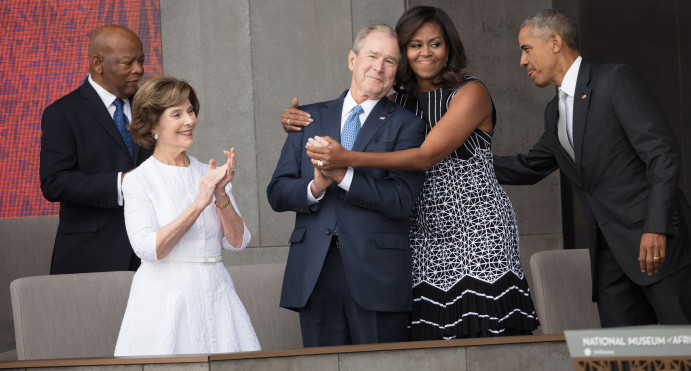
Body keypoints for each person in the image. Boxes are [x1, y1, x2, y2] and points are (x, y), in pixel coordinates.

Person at [285, 6, 539, 340]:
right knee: (432, 336)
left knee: (481, 331)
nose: (426, 53)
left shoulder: (471, 91)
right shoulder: (397, 103)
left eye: (435, 44)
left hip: (475, 227)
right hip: (420, 229)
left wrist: (347, 158)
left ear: (449, 47)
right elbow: (355, 116)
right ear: (403, 51)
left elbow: (425, 156)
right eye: (415, 45)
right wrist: (297, 120)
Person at [492, 9, 691, 327]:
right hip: (609, 258)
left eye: (526, 49)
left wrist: (656, 227)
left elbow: (662, 154)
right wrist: (456, 161)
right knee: (619, 357)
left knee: (688, 351)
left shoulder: (614, 80)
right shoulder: (554, 111)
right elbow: (528, 167)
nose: (522, 62)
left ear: (555, 42)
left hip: (657, 245)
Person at [267, 24, 426, 347]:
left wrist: (343, 175)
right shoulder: (307, 118)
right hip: (315, 271)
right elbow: (277, 191)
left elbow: (401, 201)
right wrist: (315, 186)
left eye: (390, 61)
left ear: (397, 72)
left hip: (377, 274)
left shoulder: (407, 125)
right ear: (352, 59)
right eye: (372, 56)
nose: (379, 67)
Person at [114, 77, 260, 356]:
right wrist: (198, 203)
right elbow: (148, 248)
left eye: (190, 110)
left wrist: (219, 194)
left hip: (218, 294)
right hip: (165, 300)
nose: (189, 120)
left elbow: (238, 242)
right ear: (153, 124)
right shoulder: (139, 180)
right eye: (177, 114)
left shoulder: (209, 173)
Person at [40, 24, 152, 274]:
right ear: (98, 63)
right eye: (128, 63)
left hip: (151, 255)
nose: (139, 70)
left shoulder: (150, 108)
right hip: (90, 256)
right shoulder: (62, 113)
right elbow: (54, 182)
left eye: (141, 61)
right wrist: (120, 183)